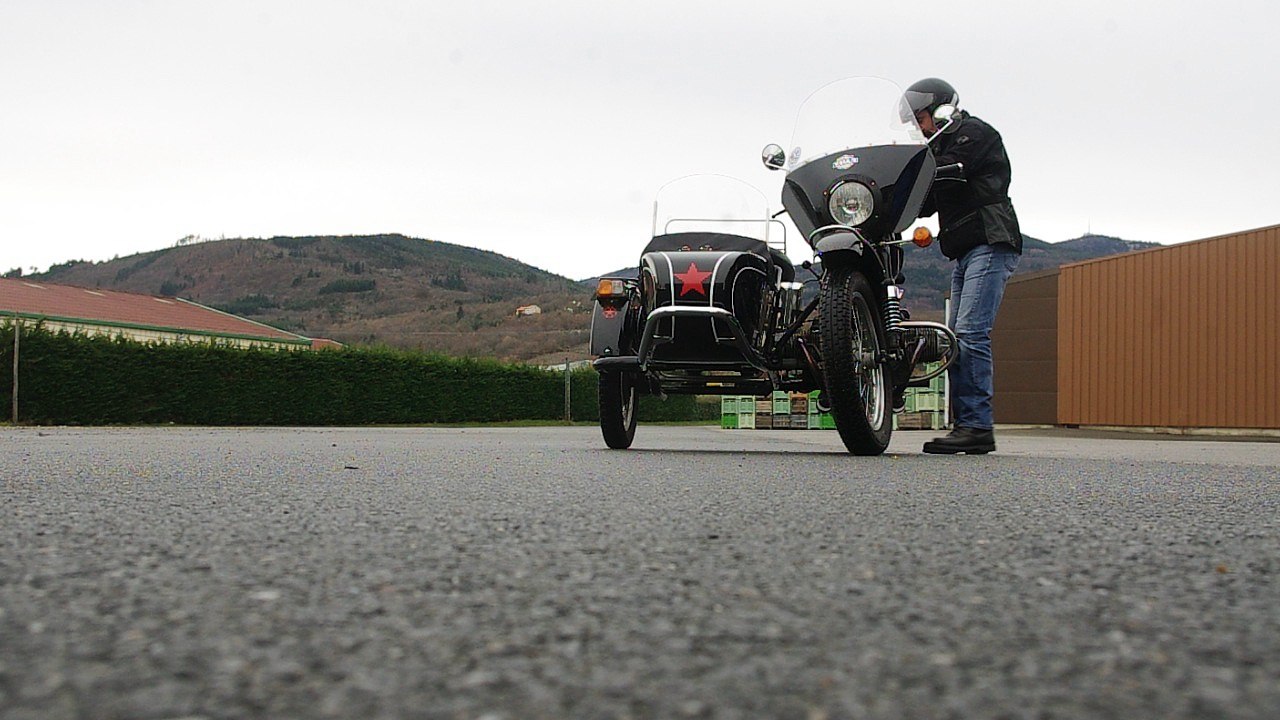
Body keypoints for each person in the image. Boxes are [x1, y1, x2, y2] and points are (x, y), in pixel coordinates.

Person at [905, 78, 1021, 455]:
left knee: (970, 332)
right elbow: (924, 201)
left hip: (990, 240)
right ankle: (967, 425)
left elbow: (954, 168)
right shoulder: (938, 151)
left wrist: (913, 169)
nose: (920, 128)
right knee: (955, 338)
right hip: (966, 250)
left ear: (941, 111)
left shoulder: (973, 134)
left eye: (921, 119)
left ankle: (976, 426)